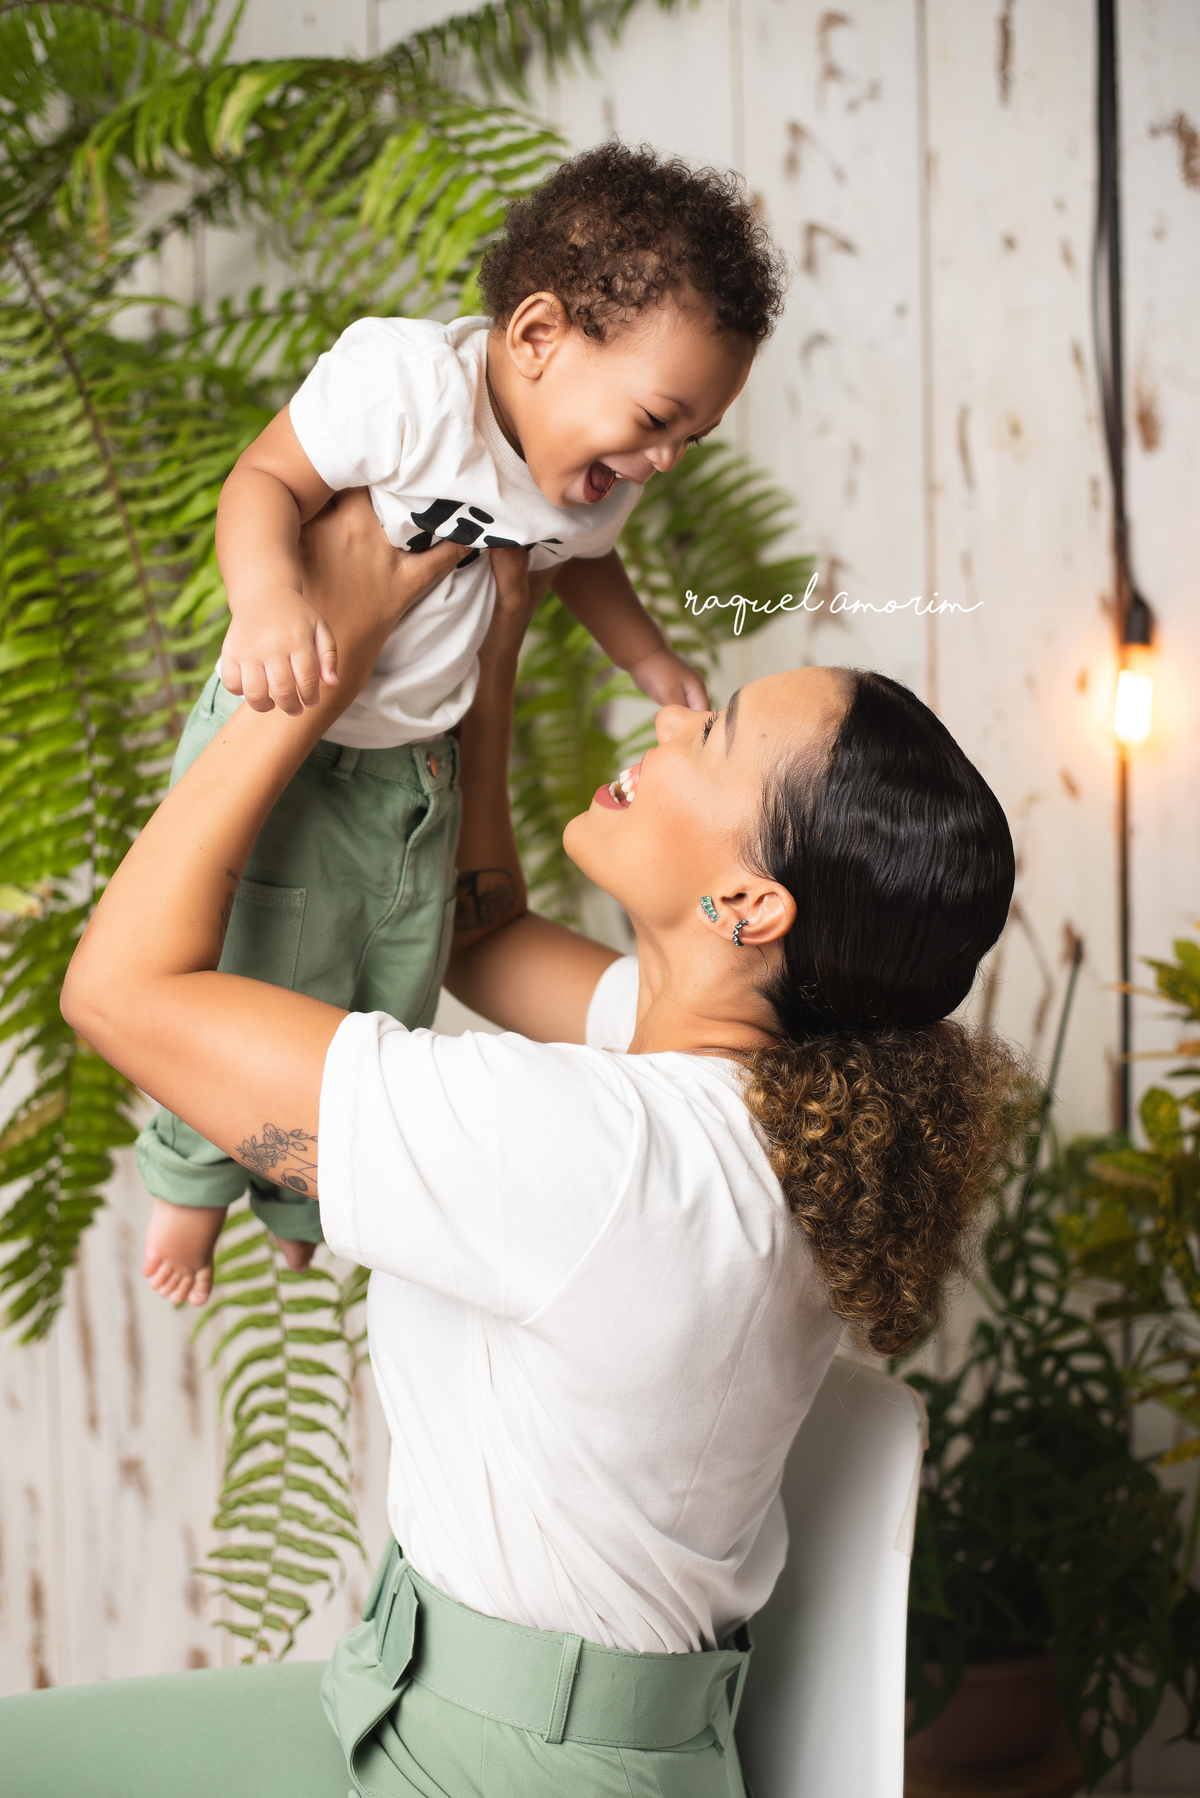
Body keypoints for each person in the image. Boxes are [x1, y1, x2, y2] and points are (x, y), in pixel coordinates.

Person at [11, 493, 1024, 1798]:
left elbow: (119, 991)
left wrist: (318, 659)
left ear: (746, 902)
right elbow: (481, 934)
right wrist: (489, 658)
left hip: (506, 1771)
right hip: (421, 1700)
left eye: (712, 731)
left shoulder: (610, 1159)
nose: (670, 715)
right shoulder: (759, 1096)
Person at [137, 140, 785, 1297]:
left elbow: (583, 564)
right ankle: (188, 1186)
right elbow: (263, 481)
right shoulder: (406, 390)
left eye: (690, 440)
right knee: (254, 958)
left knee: (392, 975)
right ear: (537, 337)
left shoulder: (590, 480)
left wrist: (645, 655)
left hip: (417, 761)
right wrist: (272, 598)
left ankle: (297, 1194)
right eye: (656, 418)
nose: (664, 461)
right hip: (292, 726)